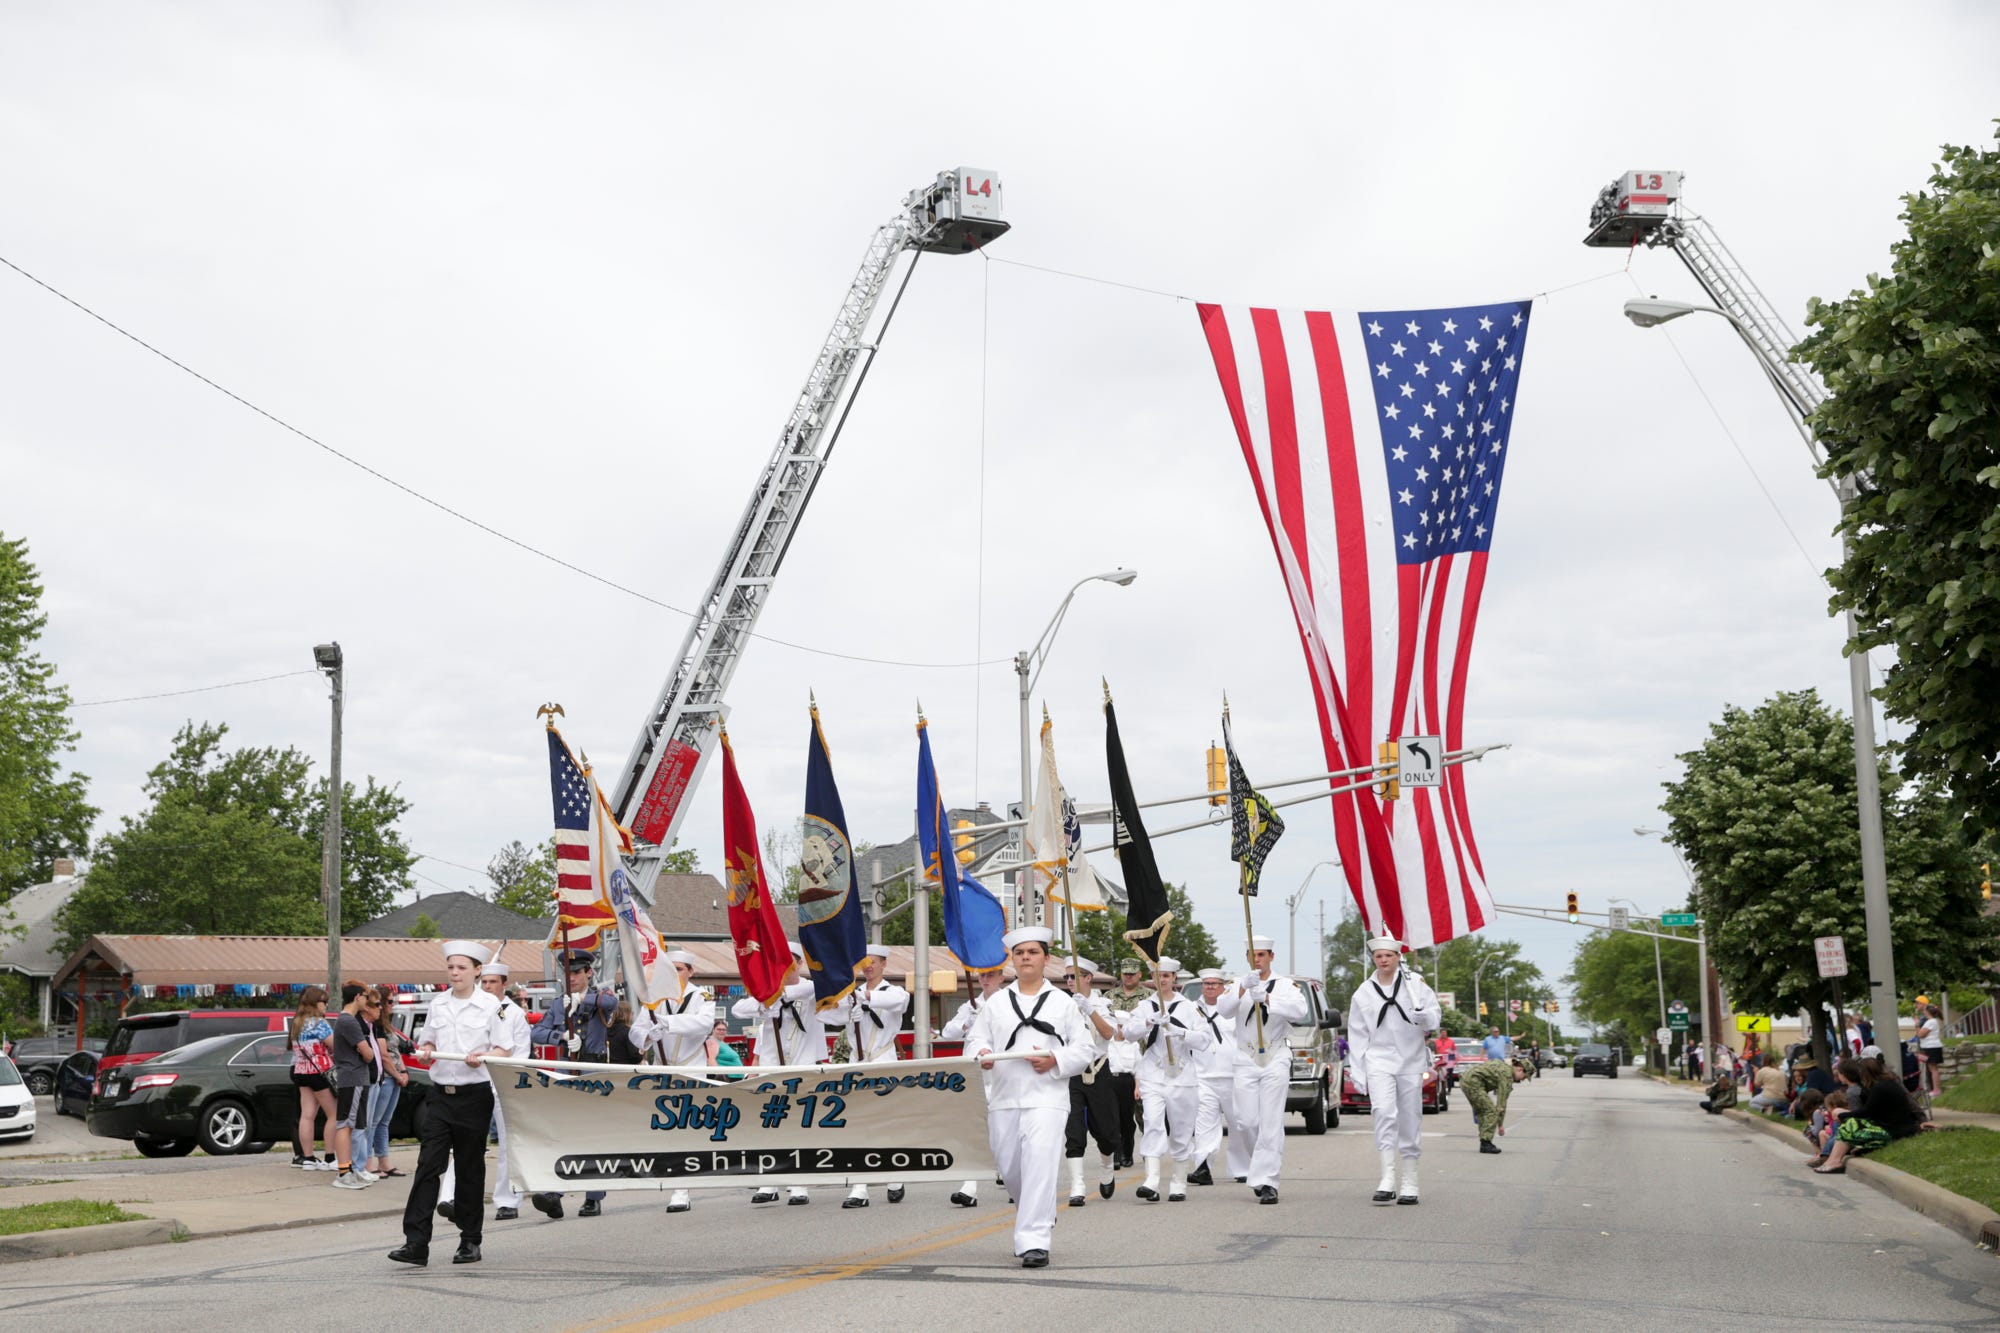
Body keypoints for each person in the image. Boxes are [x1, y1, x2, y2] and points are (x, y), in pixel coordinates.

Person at [966, 926, 1093, 1269]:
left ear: (1046, 959)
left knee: (1039, 1164)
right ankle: (1040, 1211)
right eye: (1020, 953)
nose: (1026, 958)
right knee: (1010, 1168)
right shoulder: (996, 1003)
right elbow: (975, 1040)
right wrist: (982, 1053)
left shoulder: (1063, 1003)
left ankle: (1034, 1240)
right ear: (1012, 960)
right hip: (1005, 1097)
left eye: (1033, 952)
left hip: (1047, 1097)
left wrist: (1055, 1060)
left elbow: (1084, 1049)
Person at [388, 940, 514, 1268]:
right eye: (450, 967)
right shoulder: (438, 1004)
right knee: (428, 1166)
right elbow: (427, 1041)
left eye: (461, 968)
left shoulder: (491, 1005)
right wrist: (427, 1050)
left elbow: (504, 1049)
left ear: (477, 971)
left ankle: (470, 1240)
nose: (455, 973)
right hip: (441, 1095)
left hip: (474, 1096)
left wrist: (483, 1056)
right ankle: (416, 1243)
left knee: (470, 1169)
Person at [1346, 935, 1441, 1205]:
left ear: (1398, 957)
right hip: (1379, 1059)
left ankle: (1410, 1181)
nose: (1384, 960)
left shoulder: (1415, 984)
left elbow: (1435, 1016)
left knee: (1410, 1117)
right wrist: (1358, 1069)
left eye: (1389, 955)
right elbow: (1357, 1033)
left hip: (1410, 1060)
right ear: (1373, 959)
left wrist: (1425, 1017)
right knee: (1383, 1112)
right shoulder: (1363, 992)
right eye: (1379, 956)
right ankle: (1387, 1178)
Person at [1217, 934, 1309, 1205]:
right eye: (1253, 955)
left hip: (1275, 1055)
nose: (1257, 960)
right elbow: (1223, 1010)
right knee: (1246, 1121)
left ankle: (1268, 1180)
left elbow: (1299, 1011)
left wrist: (1268, 998)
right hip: (1245, 1057)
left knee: (1270, 1122)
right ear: (1247, 957)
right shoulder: (1237, 983)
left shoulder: (1285, 985)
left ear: (1271, 957)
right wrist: (1243, 989)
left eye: (1261, 955)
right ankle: (1259, 1168)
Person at [729, 941, 824, 1205]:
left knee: (799, 1124)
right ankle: (769, 1182)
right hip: (772, 1068)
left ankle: (799, 1184)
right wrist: (763, 1004)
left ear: (800, 963)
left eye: (789, 961)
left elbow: (808, 990)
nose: (783, 966)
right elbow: (738, 1009)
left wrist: (774, 995)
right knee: (770, 1123)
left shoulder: (811, 988)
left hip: (802, 1066)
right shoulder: (767, 992)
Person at [440, 960, 533, 1222]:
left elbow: (520, 1053)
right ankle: (450, 1197)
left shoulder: (512, 1013)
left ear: (504, 984)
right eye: (485, 982)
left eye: (493, 982)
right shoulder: (473, 1008)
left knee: (507, 1145)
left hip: (503, 1083)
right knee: (464, 1142)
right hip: (473, 1083)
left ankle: (507, 1200)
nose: (488, 986)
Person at [528, 951, 619, 1220]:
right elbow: (537, 1031)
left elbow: (612, 1003)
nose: (572, 978)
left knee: (592, 1134)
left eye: (577, 972)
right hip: (567, 1069)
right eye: (568, 973)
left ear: (589, 973)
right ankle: (554, 1194)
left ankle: (593, 1197)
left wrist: (582, 1000)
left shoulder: (600, 998)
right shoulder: (559, 1004)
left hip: (592, 1070)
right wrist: (561, 1036)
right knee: (561, 1131)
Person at [824, 943, 911, 1208]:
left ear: (884, 964)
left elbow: (899, 1003)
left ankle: (894, 1176)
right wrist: (843, 1006)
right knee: (858, 1123)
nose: (868, 967)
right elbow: (825, 1015)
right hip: (857, 1062)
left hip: (883, 1060)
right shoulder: (852, 993)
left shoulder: (893, 991)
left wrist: (864, 998)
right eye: (864, 962)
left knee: (887, 1122)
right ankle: (859, 1188)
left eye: (873, 961)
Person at [632, 949, 715, 1215]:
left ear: (691, 971)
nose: (675, 974)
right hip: (663, 1071)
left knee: (687, 1128)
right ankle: (675, 1182)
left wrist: (666, 1023)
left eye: (680, 969)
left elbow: (704, 1024)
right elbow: (636, 1030)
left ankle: (682, 1187)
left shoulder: (702, 997)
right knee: (667, 1129)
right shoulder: (655, 998)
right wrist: (647, 1036)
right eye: (671, 969)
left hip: (691, 1070)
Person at [1125, 956, 1211, 1203]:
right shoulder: (1145, 1006)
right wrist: (1148, 1022)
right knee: (1152, 1122)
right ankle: (1151, 1180)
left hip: (1182, 1075)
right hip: (1153, 1074)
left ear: (1174, 978)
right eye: (1157, 975)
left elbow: (1205, 1040)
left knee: (1181, 1129)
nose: (1161, 980)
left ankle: (1178, 1181)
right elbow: (1128, 1033)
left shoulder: (1189, 1007)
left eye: (1165, 975)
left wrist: (1181, 1032)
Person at [941, 966, 1009, 1207]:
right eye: (982, 975)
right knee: (973, 1131)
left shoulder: (1009, 1002)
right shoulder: (970, 1005)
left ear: (1001, 977)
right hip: (976, 1076)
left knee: (1005, 1132)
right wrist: (966, 1021)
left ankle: (1013, 1179)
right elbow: (947, 1033)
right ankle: (969, 1188)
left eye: (991, 975)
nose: (985, 979)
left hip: (1002, 1075)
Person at [1809, 1056, 1927, 1174]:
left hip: (1893, 1131)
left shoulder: (1879, 1088)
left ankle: (1834, 1160)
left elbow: (1867, 1111)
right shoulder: (1886, 1084)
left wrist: (1843, 1116)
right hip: (1892, 1127)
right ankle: (1833, 1159)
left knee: (1850, 1125)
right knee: (1851, 1124)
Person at [1186, 967, 1237, 1187]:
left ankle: (1242, 1167)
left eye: (1215, 984)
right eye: (1206, 984)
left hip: (1233, 1074)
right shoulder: (1192, 1009)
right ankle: (1203, 1167)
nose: (1210, 987)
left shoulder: (1234, 1009)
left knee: (1239, 1123)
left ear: (1223, 987)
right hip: (1202, 1074)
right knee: (1204, 1124)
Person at [329, 982, 381, 1188]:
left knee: (357, 1125)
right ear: (357, 997)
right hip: (352, 1078)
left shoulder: (347, 1020)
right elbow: (368, 1054)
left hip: (357, 1078)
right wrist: (365, 1051)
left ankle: (352, 1170)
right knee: (345, 1124)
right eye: (366, 997)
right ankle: (344, 1173)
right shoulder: (348, 1021)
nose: (367, 1001)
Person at [1102, 959, 1148, 1169]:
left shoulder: (1148, 997)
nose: (1128, 976)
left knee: (1144, 1113)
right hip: (1116, 1057)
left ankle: (1149, 1150)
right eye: (1125, 973)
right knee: (1117, 1115)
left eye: (1132, 973)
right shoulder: (1108, 998)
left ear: (1139, 974)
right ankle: (1120, 1153)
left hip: (1143, 1059)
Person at [287, 986, 337, 1171]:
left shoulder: (297, 1023)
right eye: (324, 1002)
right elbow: (334, 1045)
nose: (326, 1005)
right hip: (319, 1071)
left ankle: (307, 1158)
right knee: (334, 1114)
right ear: (315, 1003)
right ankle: (330, 1157)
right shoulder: (319, 1023)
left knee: (307, 1115)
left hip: (301, 1070)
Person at [364, 990, 410, 1181]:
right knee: (373, 1121)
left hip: (395, 1075)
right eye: (389, 1001)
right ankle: (368, 1160)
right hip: (386, 1076)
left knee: (384, 1121)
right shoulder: (376, 1026)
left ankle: (384, 1160)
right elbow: (383, 1055)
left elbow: (395, 1051)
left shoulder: (387, 1025)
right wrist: (397, 1074)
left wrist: (403, 1071)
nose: (392, 1005)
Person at [1460, 1055, 1529, 1152]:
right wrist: (1500, 1125)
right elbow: (1501, 1103)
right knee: (1491, 1111)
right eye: (1524, 1077)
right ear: (1520, 1069)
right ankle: (1486, 1143)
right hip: (1473, 1082)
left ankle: (1484, 1141)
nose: (1523, 1080)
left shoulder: (1504, 1066)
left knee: (1483, 1111)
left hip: (1466, 1079)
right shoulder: (1507, 1076)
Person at [1915, 1003, 1945, 1095]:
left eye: (1924, 1010)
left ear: (1928, 1012)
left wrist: (1917, 1025)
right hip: (1930, 1047)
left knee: (1933, 1069)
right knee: (1932, 1068)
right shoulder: (1932, 1021)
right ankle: (1935, 1089)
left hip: (1931, 1047)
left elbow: (1920, 1035)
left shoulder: (1930, 1022)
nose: (1923, 1012)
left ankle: (1936, 1090)